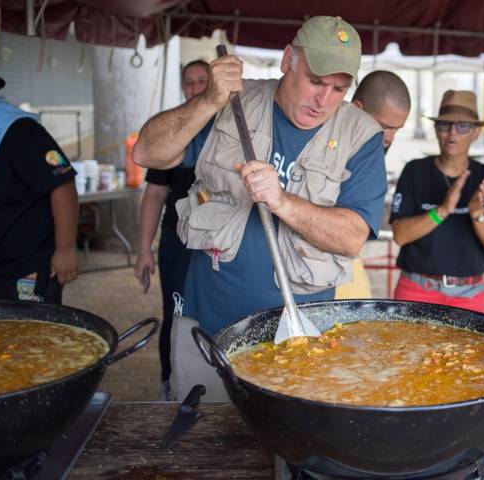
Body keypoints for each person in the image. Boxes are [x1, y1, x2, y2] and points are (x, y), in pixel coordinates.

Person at [132, 16, 386, 400]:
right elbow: (146, 151)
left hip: (299, 341)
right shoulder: (231, 106)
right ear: (288, 61)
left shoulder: (360, 136)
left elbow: (352, 238)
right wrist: (207, 100)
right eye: (316, 81)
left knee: (283, 452)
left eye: (339, 88)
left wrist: (282, 201)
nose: (324, 100)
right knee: (201, 447)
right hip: (209, 330)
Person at [389, 90, 484, 313]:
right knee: (407, 349)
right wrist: (443, 210)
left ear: (476, 132)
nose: (452, 132)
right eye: (444, 125)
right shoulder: (415, 171)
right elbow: (400, 235)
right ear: (436, 130)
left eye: (463, 126)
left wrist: (477, 212)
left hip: (469, 292)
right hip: (417, 288)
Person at [134, 60, 209, 401]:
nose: (194, 88)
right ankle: (170, 383)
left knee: (215, 312)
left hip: (218, 243)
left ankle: (217, 383)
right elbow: (153, 196)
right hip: (177, 242)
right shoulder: (171, 131)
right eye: (189, 83)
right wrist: (144, 250)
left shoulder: (231, 127)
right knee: (176, 314)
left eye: (201, 81)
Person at [0, 66, 78, 304]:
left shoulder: (21, 132)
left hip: (24, 271)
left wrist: (65, 249)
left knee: (30, 338)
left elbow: (62, 183)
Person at [336, 70, 410, 299]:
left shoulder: (372, 151)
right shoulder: (325, 142)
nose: (390, 138)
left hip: (350, 275)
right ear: (357, 109)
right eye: (385, 126)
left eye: (397, 129)